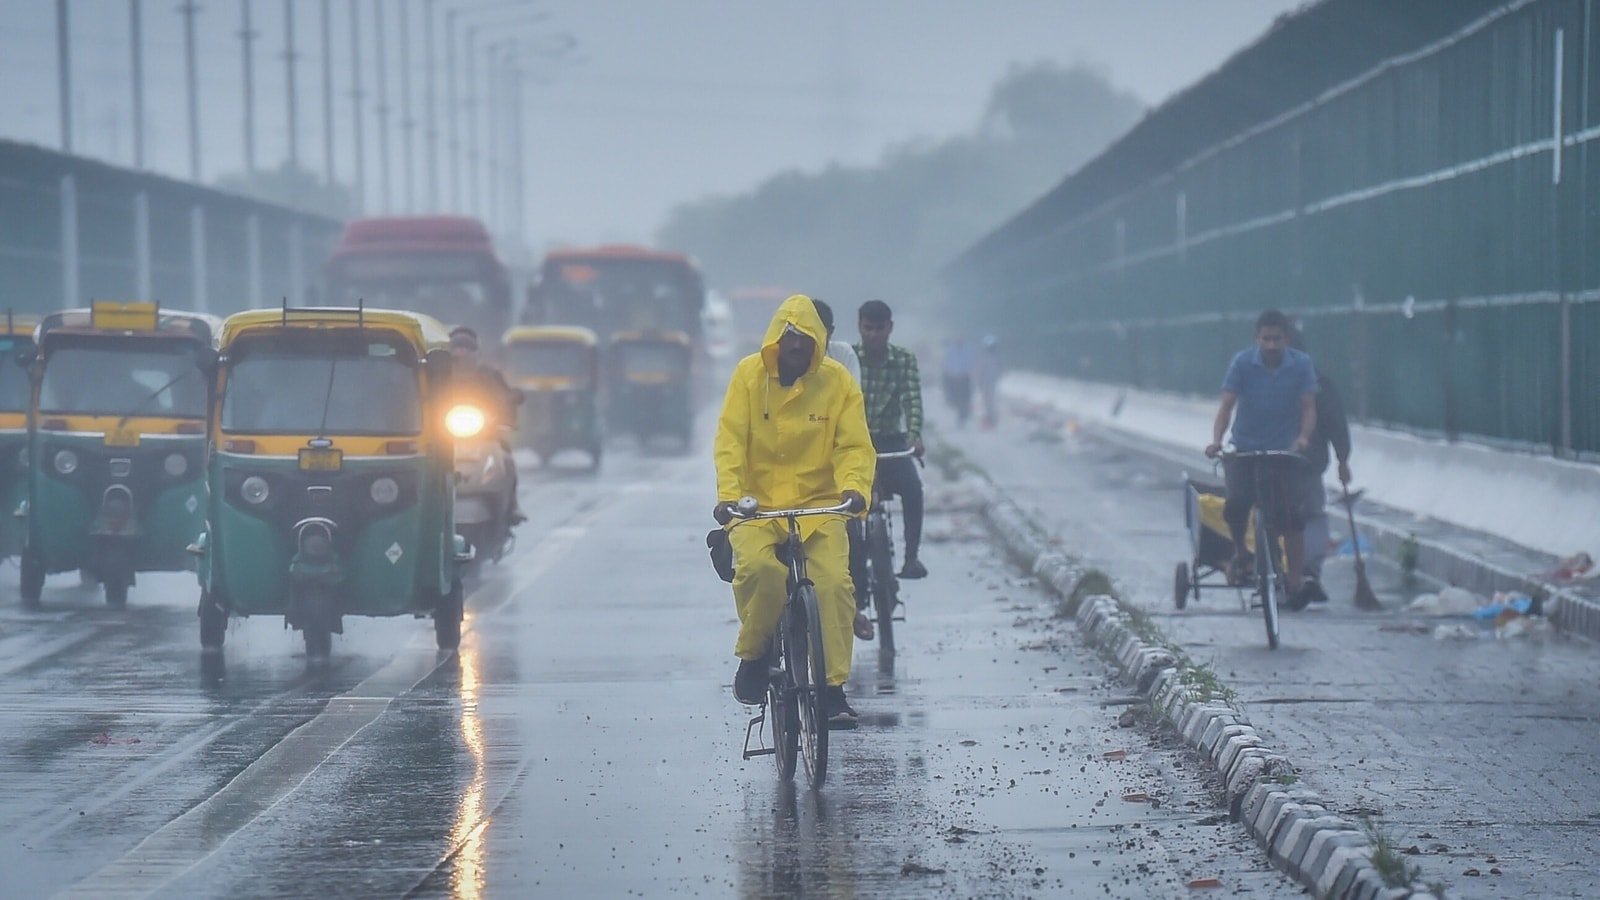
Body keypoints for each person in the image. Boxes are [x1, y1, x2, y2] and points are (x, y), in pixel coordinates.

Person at [713, 294, 874, 728]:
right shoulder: (748, 376)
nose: (796, 356)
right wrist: (728, 495)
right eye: (790, 347)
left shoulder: (837, 382)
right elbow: (730, 441)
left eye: (806, 349)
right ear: (775, 344)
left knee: (835, 587)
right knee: (761, 573)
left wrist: (855, 490)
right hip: (756, 507)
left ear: (818, 348)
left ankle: (833, 691)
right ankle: (754, 655)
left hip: (819, 508)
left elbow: (854, 446)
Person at [1204, 309, 1317, 603]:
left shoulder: (1301, 365)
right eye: (1265, 339)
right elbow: (1227, 406)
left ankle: (1294, 576)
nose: (1271, 345)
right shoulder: (1242, 363)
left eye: (1277, 339)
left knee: (1292, 518)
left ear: (1286, 339)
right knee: (1237, 505)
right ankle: (1242, 551)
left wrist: (1303, 437)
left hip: (1283, 452)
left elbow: (1308, 407)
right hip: (1245, 448)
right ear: (1257, 339)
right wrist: (1217, 441)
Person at [855, 300, 928, 581]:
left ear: (890, 328)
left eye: (879, 328)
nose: (873, 335)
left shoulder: (904, 360)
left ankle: (911, 558)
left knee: (913, 490)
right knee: (844, 503)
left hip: (890, 442)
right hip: (855, 445)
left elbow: (912, 400)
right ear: (860, 327)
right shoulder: (848, 360)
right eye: (868, 328)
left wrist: (914, 434)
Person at [1287, 328, 1352, 604]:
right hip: (1298, 462)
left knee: (1300, 517)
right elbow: (1336, 423)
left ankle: (1298, 575)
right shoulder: (1319, 382)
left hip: (1298, 463)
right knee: (1311, 517)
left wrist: (1342, 458)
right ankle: (1306, 574)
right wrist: (1342, 458)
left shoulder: (1315, 384)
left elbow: (1334, 422)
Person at [449, 326, 526, 525]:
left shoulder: (490, 376)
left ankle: (512, 505)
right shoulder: (435, 378)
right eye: (457, 354)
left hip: (486, 434)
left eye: (467, 353)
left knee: (506, 458)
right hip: (442, 435)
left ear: (476, 355)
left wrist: (511, 400)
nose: (462, 360)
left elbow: (506, 395)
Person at [811, 299, 861, 383]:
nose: (814, 337)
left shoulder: (843, 354)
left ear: (830, 331)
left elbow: (853, 393)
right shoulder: (792, 355)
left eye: (819, 331)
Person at [941, 335, 975, 427]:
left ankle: (963, 416)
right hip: (953, 378)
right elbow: (946, 364)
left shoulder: (968, 350)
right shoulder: (950, 350)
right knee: (954, 399)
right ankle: (961, 414)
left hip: (964, 378)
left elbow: (971, 364)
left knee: (964, 398)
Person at [974, 335, 1003, 429]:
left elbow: (999, 370)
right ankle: (988, 419)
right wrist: (979, 382)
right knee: (986, 402)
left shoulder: (996, 358)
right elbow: (979, 371)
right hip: (985, 383)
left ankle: (991, 418)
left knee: (991, 402)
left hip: (992, 383)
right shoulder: (983, 358)